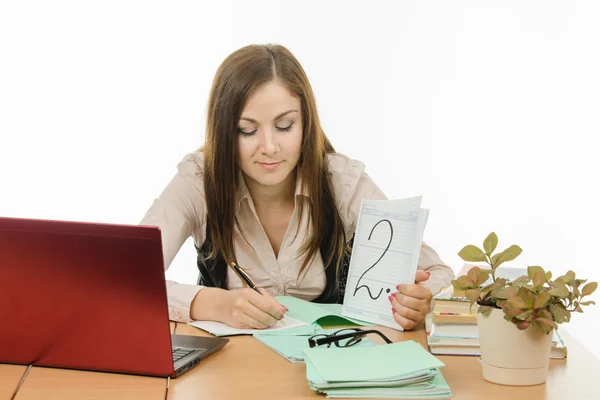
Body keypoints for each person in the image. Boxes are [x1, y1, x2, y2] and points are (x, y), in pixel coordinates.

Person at [140, 44, 454, 331]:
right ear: (224, 132)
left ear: (305, 123)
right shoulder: (198, 180)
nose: (269, 147)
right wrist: (213, 303)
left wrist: (419, 300)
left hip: (329, 365)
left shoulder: (342, 182)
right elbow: (125, 281)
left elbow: (438, 272)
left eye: (284, 126)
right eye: (246, 130)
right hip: (228, 374)